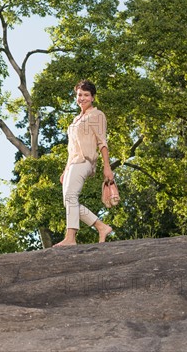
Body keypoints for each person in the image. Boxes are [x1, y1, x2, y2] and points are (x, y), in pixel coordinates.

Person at [54, 79, 113, 247]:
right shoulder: (75, 120)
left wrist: (107, 168)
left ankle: (71, 238)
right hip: (73, 163)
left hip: (85, 161)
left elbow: (102, 142)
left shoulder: (97, 115)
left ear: (93, 97)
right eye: (79, 95)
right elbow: (70, 149)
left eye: (86, 95)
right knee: (69, 201)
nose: (82, 98)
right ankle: (101, 227)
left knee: (71, 197)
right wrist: (65, 170)